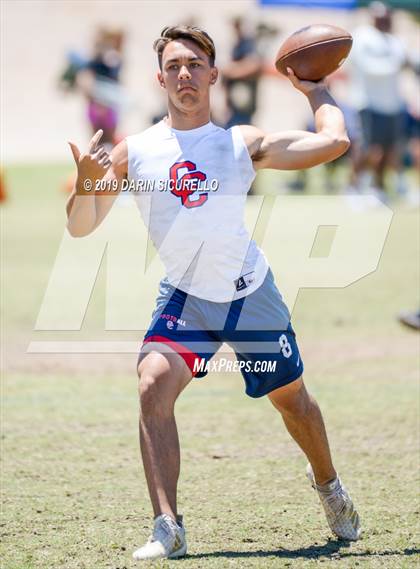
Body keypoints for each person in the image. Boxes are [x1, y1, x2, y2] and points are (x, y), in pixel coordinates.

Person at [66, 25, 361, 561]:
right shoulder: (135, 152)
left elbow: (334, 142)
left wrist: (316, 89)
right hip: (187, 296)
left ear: (213, 75)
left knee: (292, 402)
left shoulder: (239, 143)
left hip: (249, 293)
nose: (185, 74)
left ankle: (330, 489)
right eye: (174, 65)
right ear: (160, 78)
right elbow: (82, 227)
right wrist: (88, 184)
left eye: (195, 64)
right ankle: (167, 526)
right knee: (152, 383)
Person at [348, 2, 408, 200]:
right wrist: (394, 65)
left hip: (392, 105)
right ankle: (354, 188)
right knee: (365, 147)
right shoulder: (363, 36)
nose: (385, 21)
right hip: (368, 103)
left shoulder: (394, 41)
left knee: (387, 149)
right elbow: (368, 67)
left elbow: (407, 60)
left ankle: (377, 188)